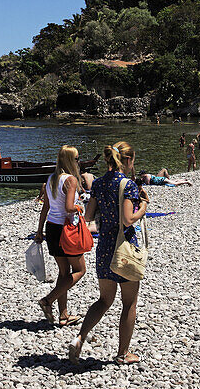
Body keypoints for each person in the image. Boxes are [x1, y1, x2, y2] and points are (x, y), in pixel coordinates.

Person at [70, 142, 147, 365]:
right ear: (129, 160)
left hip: (104, 247)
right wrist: (142, 207)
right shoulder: (129, 185)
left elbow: (88, 216)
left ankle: (79, 339)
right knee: (129, 302)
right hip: (124, 249)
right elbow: (128, 219)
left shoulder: (99, 183)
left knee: (104, 300)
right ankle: (123, 353)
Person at [34, 145, 87, 327]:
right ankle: (48, 300)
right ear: (71, 161)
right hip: (67, 230)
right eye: (77, 159)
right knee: (80, 270)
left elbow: (45, 208)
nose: (79, 162)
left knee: (63, 273)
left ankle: (63, 315)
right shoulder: (70, 180)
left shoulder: (50, 179)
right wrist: (81, 207)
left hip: (52, 228)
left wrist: (39, 231)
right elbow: (69, 207)